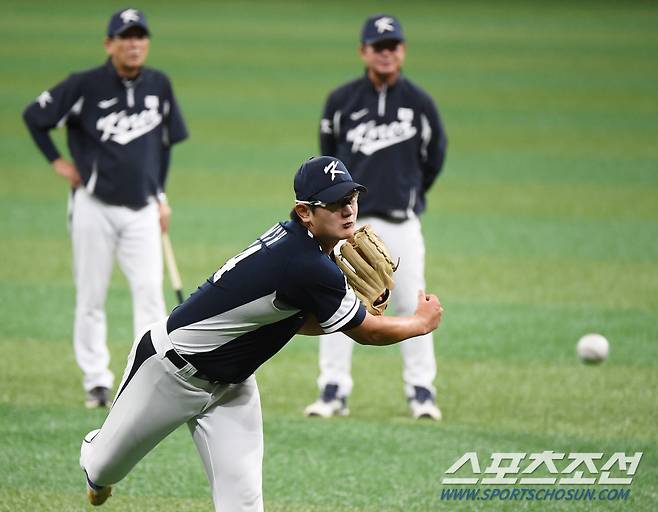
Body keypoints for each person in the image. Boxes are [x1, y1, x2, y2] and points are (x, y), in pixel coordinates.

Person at [79, 156, 443, 510]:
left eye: (351, 199)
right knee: (103, 468)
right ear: (305, 212)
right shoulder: (305, 263)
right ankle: (97, 451)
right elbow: (368, 333)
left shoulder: (307, 249)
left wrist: (351, 314)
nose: (348, 210)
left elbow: (298, 320)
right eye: (334, 204)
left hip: (232, 388)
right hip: (167, 372)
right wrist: (420, 323)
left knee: (244, 503)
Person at [22, 8, 188, 408]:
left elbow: (163, 148)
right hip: (93, 207)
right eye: (125, 37)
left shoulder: (159, 85)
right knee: (91, 294)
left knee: (149, 293)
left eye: (140, 37)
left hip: (143, 209)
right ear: (109, 43)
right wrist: (58, 162)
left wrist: (161, 197)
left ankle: (146, 377)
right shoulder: (84, 85)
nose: (133, 44)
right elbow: (34, 116)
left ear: (146, 42)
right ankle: (96, 379)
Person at [304, 14, 448, 420]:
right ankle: (332, 390)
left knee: (411, 300)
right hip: (346, 223)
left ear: (402, 51)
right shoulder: (342, 101)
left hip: (401, 222)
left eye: (393, 46)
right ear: (364, 51)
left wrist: (412, 194)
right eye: (378, 47)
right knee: (336, 301)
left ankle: (422, 391)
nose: (386, 53)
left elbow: (434, 158)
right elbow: (329, 155)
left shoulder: (420, 104)